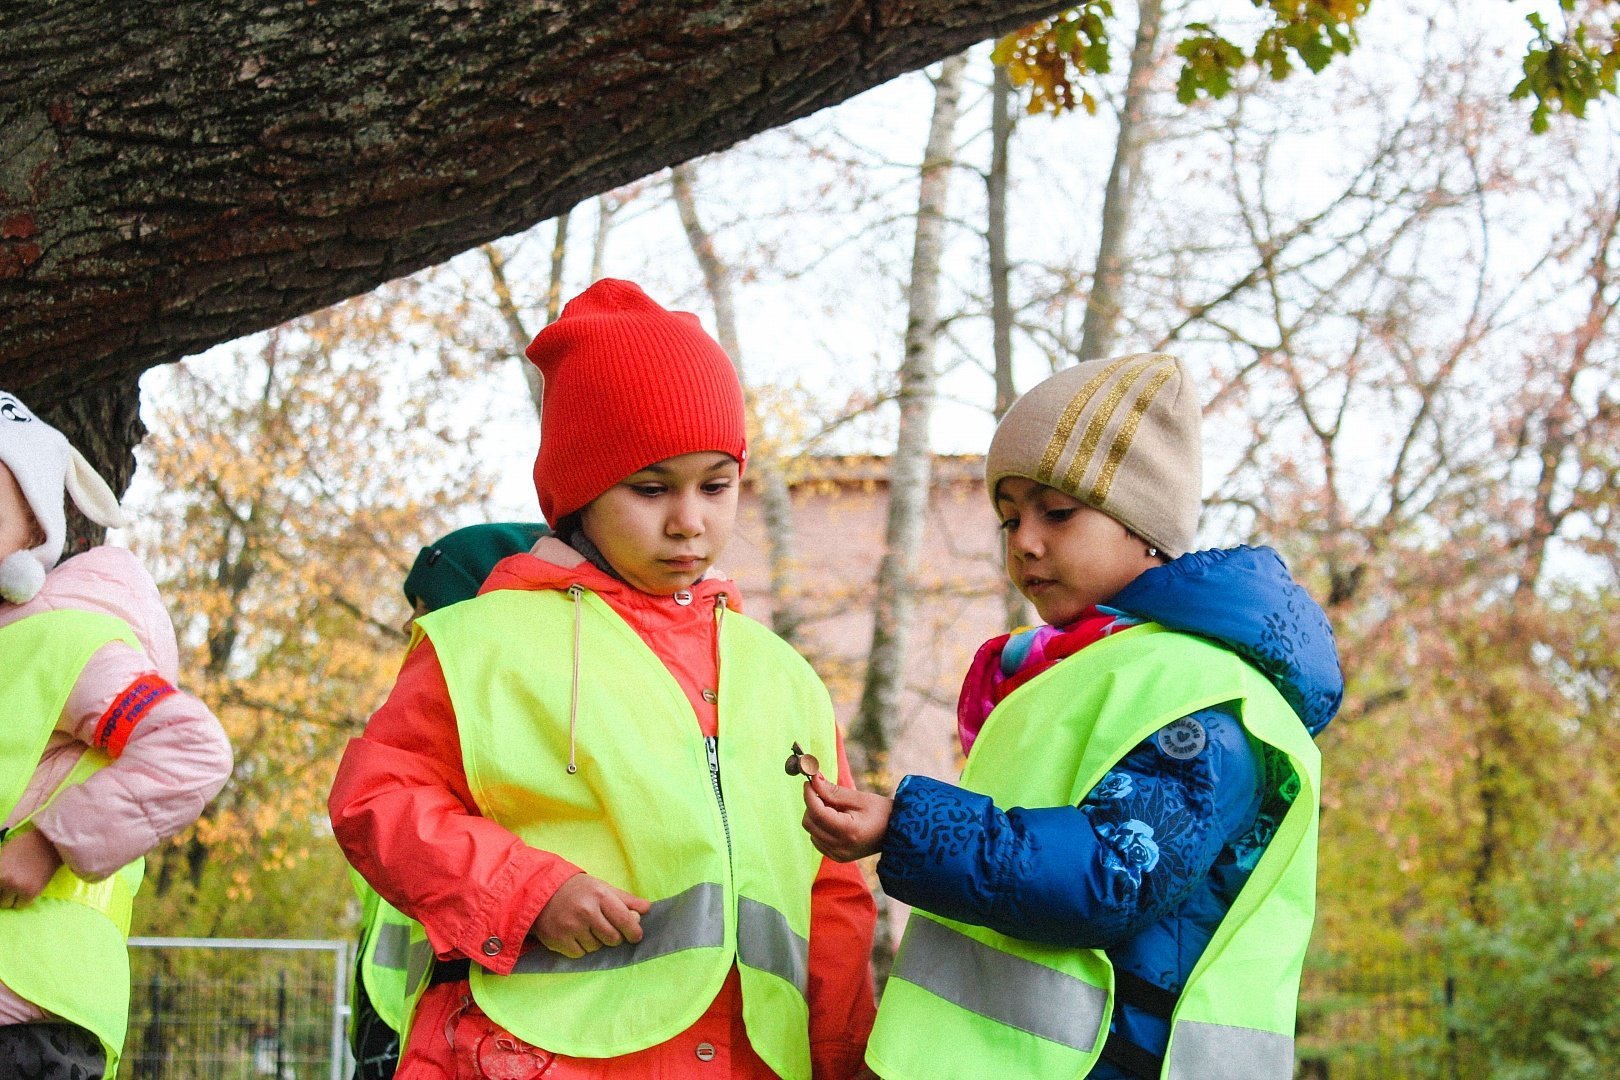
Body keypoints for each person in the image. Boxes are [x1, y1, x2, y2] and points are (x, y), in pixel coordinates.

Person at [329, 278, 877, 1080]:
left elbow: (831, 894)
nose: (689, 520)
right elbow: (375, 800)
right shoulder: (482, 643)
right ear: (579, 494)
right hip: (531, 1057)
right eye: (651, 488)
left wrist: (841, 1059)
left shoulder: (782, 676)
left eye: (715, 484)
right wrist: (525, 892)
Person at [801, 353, 1342, 1080]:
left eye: (1058, 511)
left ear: (1144, 525)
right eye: (1009, 517)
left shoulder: (1203, 691)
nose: (1024, 541)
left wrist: (905, 825)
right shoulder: (1083, 669)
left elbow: (1119, 868)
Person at [0, 391, 233, 1079]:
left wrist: (50, 842)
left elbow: (189, 750)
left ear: (35, 524)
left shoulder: (68, 639)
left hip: (31, 1016)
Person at [347, 522, 550, 1080]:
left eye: (427, 606)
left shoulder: (506, 737)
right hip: (401, 1011)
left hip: (470, 1012)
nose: (410, 625)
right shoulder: (417, 727)